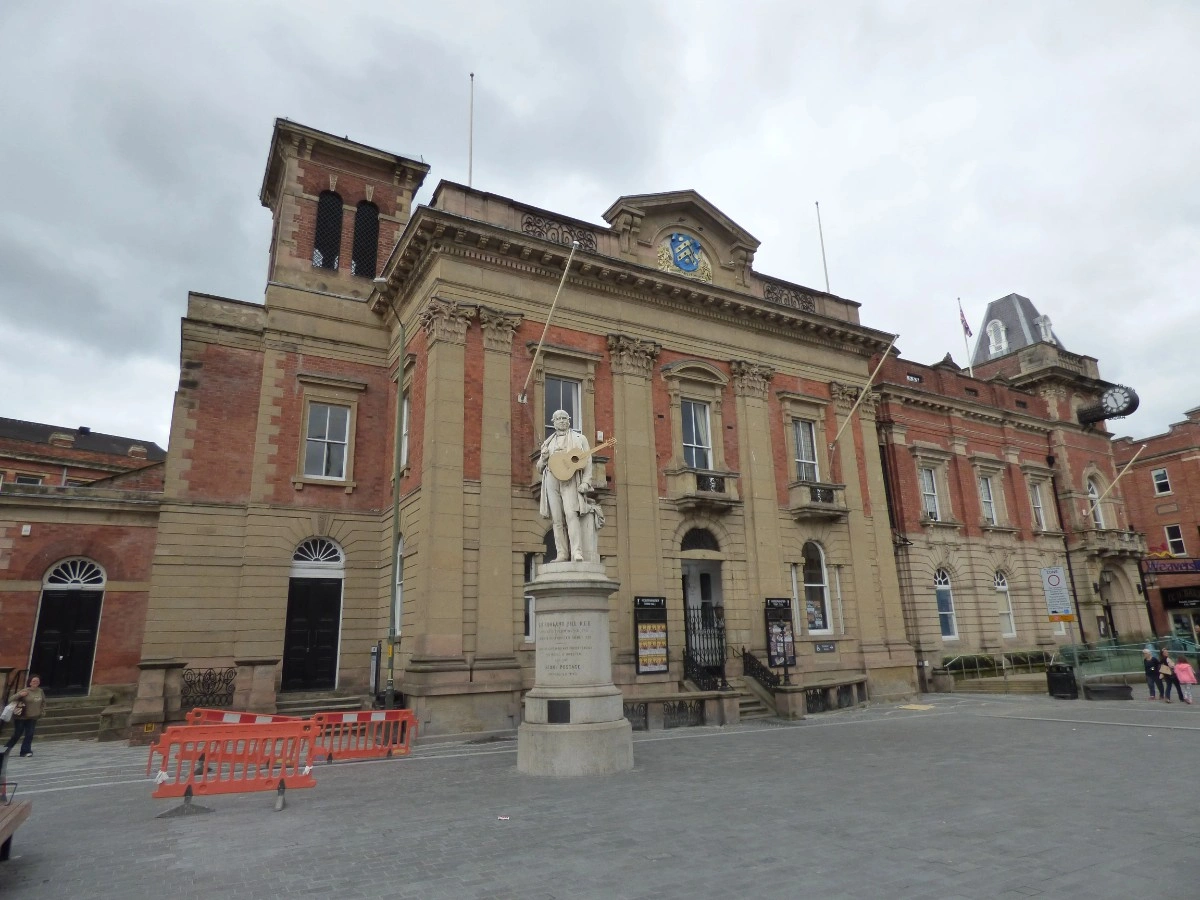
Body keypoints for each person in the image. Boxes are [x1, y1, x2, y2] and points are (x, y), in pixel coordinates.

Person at [537, 409, 594, 563]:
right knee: (557, 519)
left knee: (571, 514)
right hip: (551, 478)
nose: (562, 421)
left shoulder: (579, 438)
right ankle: (562, 553)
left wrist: (586, 482)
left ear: (569, 421)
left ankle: (576, 551)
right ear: (553, 422)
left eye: (564, 418)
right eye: (558, 419)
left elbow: (588, 461)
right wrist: (543, 458)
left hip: (570, 478)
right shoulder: (548, 442)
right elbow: (539, 467)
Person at [5, 674, 45, 757]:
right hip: (21, 717)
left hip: (33, 717)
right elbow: (11, 699)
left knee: (29, 734)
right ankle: (6, 749)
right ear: (30, 682)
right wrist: (20, 695)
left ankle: (25, 751)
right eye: (34, 681)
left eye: (37, 681)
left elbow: (43, 702)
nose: (35, 682)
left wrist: (42, 711)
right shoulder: (25, 691)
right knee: (17, 734)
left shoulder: (40, 691)